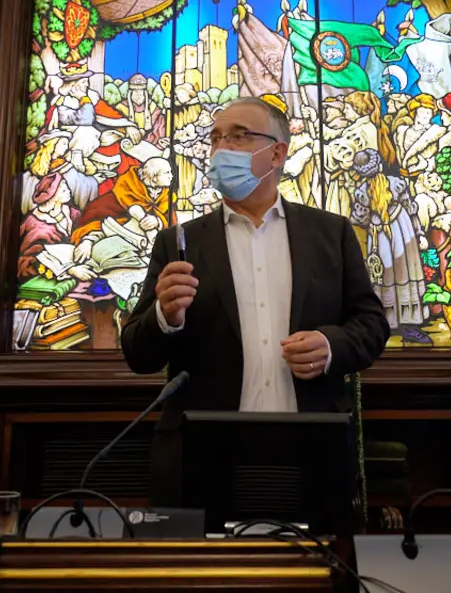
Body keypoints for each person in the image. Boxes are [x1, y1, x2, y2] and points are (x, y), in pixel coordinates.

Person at [121, 97, 390, 506]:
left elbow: (371, 326)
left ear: (277, 153)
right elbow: (138, 356)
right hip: (206, 453)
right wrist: (166, 315)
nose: (221, 148)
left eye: (239, 136)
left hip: (311, 450)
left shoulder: (330, 233)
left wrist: (331, 346)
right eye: (216, 138)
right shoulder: (179, 242)